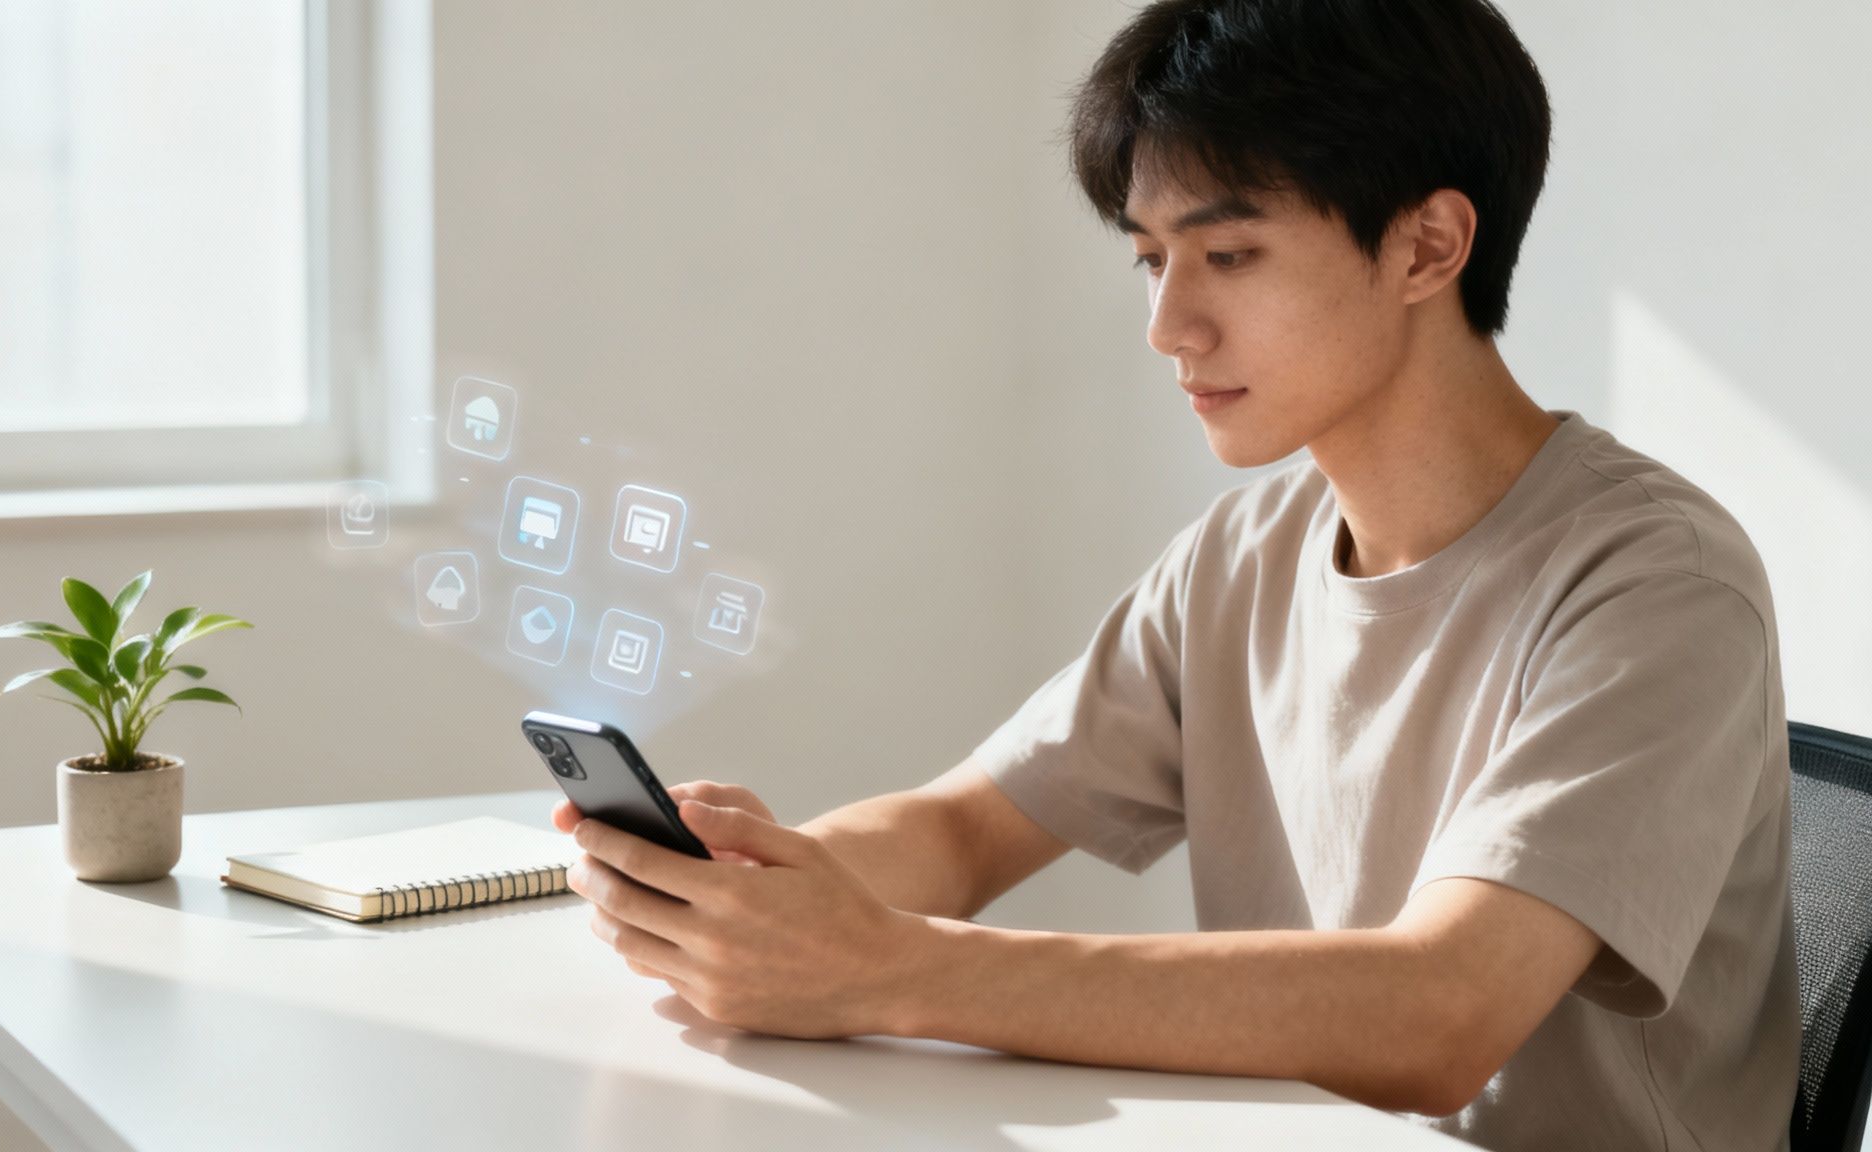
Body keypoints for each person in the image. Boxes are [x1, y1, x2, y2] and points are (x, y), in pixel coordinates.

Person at [554, 1, 1799, 1147]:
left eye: (1230, 256)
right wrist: (755, 894)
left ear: (1427, 245)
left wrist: (883, 968)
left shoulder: (1655, 583)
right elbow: (963, 826)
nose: (1167, 326)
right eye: (1151, 258)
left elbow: (1439, 1011)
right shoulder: (1242, 554)